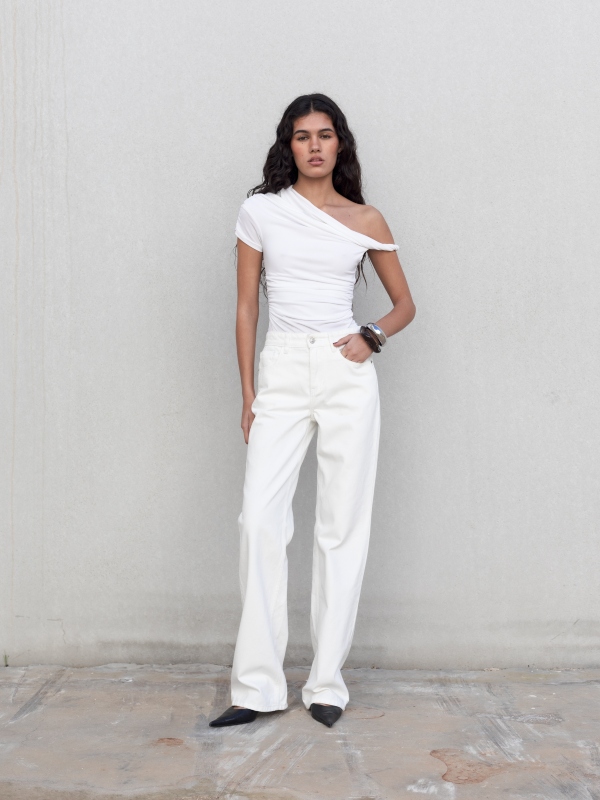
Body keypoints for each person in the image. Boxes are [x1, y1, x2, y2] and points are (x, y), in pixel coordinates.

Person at [209, 94, 416, 729]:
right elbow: (247, 307)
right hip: (281, 368)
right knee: (259, 521)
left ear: (340, 143)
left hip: (344, 370)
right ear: (289, 146)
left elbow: (405, 305)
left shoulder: (365, 217)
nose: (315, 146)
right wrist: (249, 393)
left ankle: (327, 684)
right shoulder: (261, 212)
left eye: (325, 135)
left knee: (341, 524)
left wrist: (370, 337)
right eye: (303, 136)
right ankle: (257, 687)